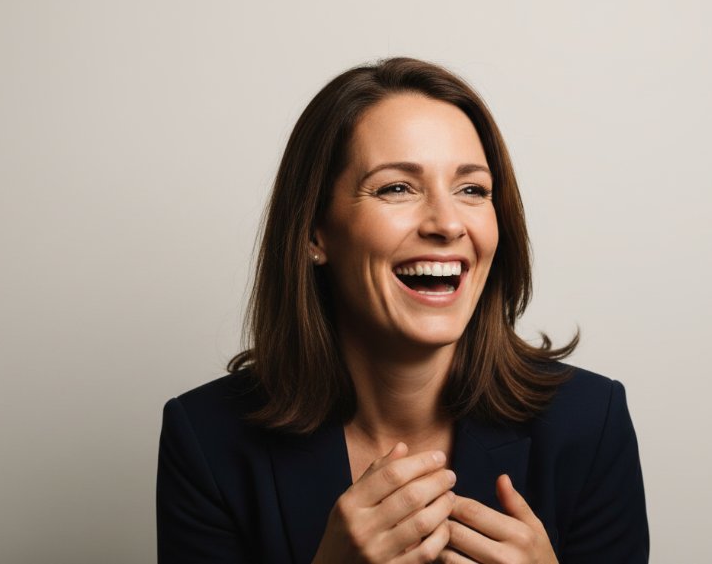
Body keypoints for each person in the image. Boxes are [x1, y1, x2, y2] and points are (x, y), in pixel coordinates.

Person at [156, 57, 649, 563]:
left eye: (472, 190)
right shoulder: (205, 437)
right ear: (313, 232)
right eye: (397, 188)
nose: (447, 223)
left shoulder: (591, 423)